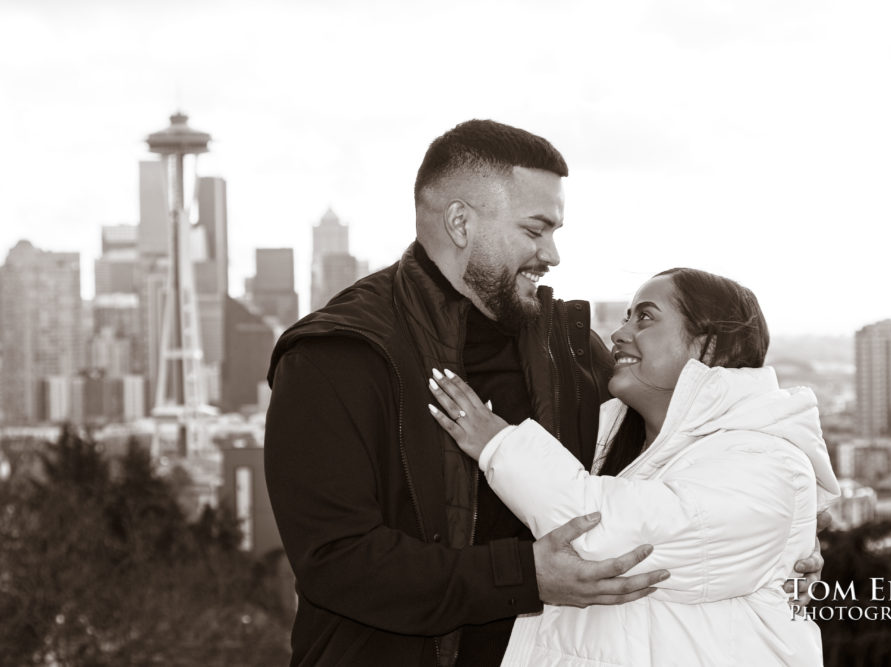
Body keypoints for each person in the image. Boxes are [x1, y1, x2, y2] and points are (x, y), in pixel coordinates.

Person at [264, 120, 824, 667]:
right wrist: (523, 577)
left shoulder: (573, 350)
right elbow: (338, 563)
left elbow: (670, 481)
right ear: (461, 222)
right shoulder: (338, 355)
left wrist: (785, 547)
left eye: (554, 232)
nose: (552, 255)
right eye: (535, 230)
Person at [427, 268, 841, 666]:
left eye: (645, 317)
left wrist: (497, 444)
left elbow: (605, 537)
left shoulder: (768, 464)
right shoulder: (604, 439)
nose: (619, 332)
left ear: (710, 346)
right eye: (627, 317)